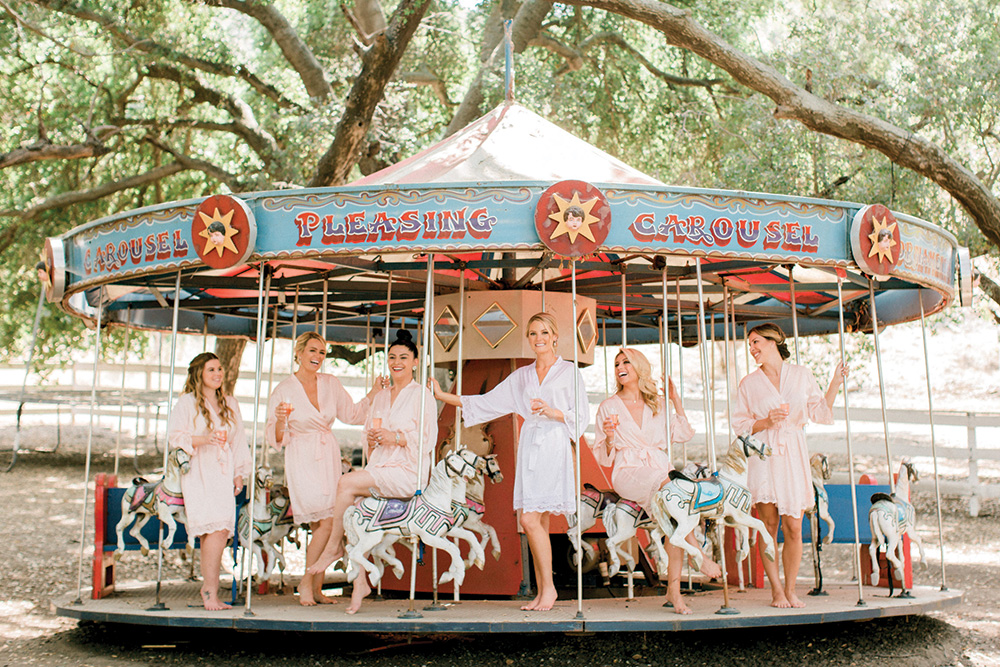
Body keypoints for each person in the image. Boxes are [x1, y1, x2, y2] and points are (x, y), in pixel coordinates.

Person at [430, 312, 589, 612]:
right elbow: (486, 401)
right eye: (533, 333)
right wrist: (442, 396)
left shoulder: (569, 372)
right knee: (536, 521)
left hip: (554, 444)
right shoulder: (523, 376)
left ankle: (550, 589)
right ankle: (543, 592)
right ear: (528, 339)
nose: (539, 338)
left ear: (555, 336)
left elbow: (581, 416)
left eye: (544, 332)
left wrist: (554, 412)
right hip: (530, 445)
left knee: (530, 519)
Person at [306, 329, 437, 613]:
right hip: (380, 467)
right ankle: (360, 583)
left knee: (346, 483)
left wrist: (397, 438)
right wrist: (375, 440)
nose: (396, 361)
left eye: (403, 357)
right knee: (354, 511)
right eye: (392, 357)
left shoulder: (422, 395)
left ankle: (333, 548)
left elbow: (428, 439)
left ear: (415, 361)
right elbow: (368, 433)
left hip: (407, 472)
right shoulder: (381, 396)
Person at [592, 348, 721, 614]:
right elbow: (605, 458)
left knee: (677, 516)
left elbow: (683, 433)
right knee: (673, 491)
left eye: (626, 361)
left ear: (639, 367)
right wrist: (608, 436)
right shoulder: (609, 406)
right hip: (628, 470)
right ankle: (701, 557)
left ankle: (674, 590)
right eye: (616, 363)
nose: (620, 367)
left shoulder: (658, 404)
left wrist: (675, 399)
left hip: (659, 468)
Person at [732, 323, 847, 608]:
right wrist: (765, 422)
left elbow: (820, 411)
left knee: (794, 526)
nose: (752, 348)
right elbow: (740, 425)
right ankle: (776, 591)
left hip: (793, 451)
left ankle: (792, 588)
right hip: (765, 453)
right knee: (768, 524)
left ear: (774, 342)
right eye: (750, 344)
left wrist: (835, 384)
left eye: (756, 342)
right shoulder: (749, 383)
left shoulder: (801, 375)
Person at [266, 332, 381, 606]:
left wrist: (374, 392)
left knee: (325, 524)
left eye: (322, 352)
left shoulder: (330, 383)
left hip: (327, 454)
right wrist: (281, 420)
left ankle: (317, 588)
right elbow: (275, 437)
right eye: (313, 351)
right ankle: (306, 583)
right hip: (302, 456)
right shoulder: (283, 389)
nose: (318, 357)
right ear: (299, 353)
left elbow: (352, 415)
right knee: (327, 523)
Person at [167, 352, 252, 611]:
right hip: (199, 469)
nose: (217, 374)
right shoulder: (187, 403)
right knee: (212, 529)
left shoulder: (230, 403)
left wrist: (238, 472)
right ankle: (209, 591)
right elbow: (175, 437)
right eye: (211, 370)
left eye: (219, 369)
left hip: (224, 471)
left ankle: (210, 590)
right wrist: (207, 439)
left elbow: (238, 440)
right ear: (199, 374)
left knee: (221, 530)